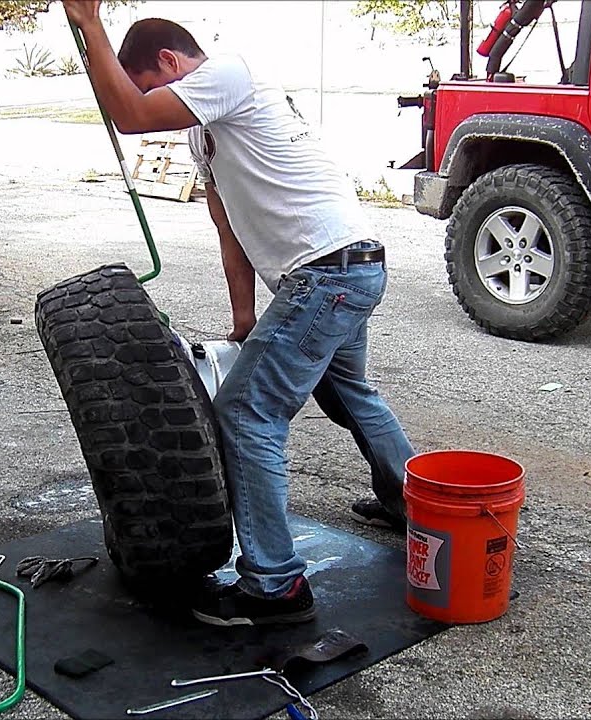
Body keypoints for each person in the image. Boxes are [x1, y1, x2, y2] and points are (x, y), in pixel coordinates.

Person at [63, 0, 416, 626]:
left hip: (329, 274)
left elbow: (131, 117)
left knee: (248, 412)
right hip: (340, 270)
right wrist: (245, 316)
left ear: (170, 62)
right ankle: (410, 505)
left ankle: (276, 586)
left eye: (151, 84)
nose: (156, 103)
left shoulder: (227, 73)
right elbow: (229, 228)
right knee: (347, 393)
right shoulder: (205, 132)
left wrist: (90, 24)